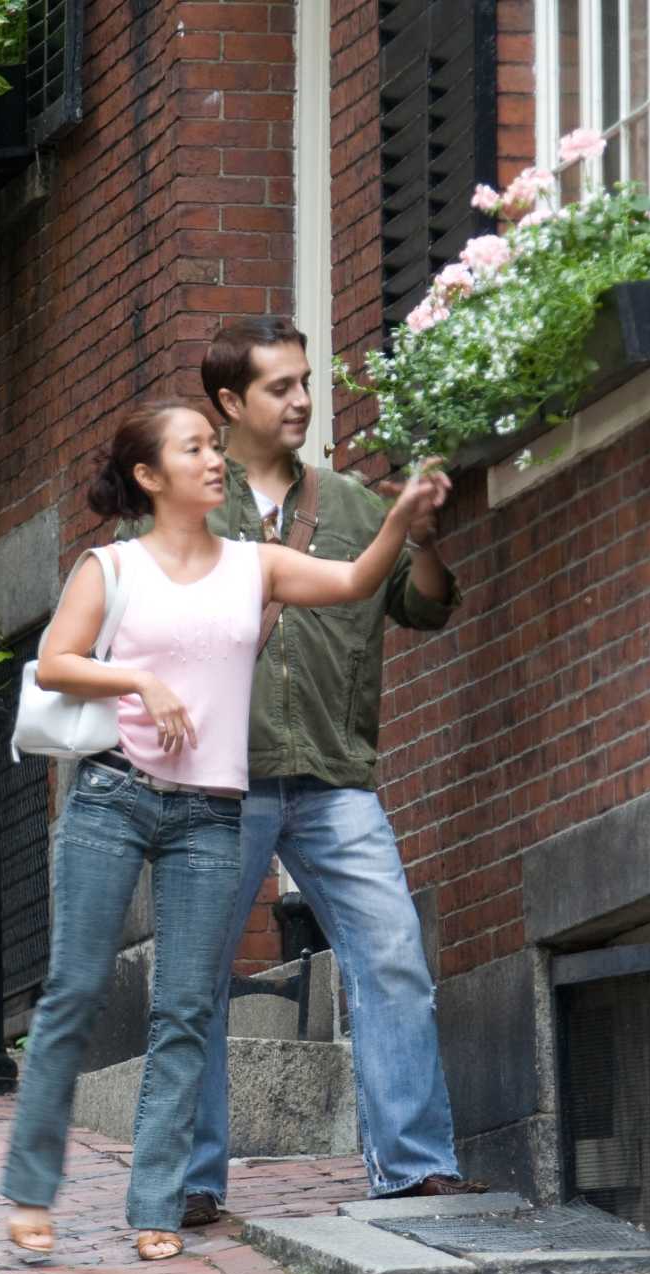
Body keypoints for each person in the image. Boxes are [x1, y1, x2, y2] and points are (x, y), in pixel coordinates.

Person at [1, 398, 446, 1262]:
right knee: (74, 992)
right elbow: (57, 660)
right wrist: (140, 681)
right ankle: (30, 1188)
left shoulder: (255, 564)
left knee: (184, 1010)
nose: (216, 461)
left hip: (211, 811)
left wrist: (397, 521)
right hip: (114, 800)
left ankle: (157, 1207)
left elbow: (355, 585)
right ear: (148, 475)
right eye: (195, 449)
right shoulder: (113, 567)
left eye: (215, 447)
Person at [178, 317, 478, 1227]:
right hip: (222, 779)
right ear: (230, 404)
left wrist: (420, 535)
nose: (303, 400)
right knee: (195, 978)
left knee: (391, 955)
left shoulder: (352, 504)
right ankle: (190, 1178)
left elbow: (424, 609)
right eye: (281, 387)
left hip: (336, 772)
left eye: (306, 381)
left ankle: (414, 1164)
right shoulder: (182, 502)